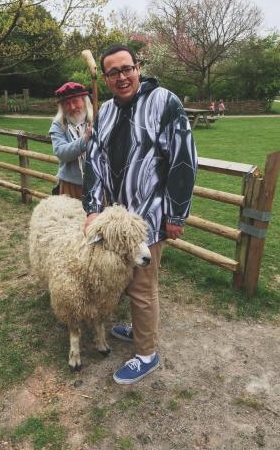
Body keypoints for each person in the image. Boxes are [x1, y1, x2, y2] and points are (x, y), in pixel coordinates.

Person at [82, 44, 197, 384]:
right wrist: (92, 209)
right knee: (128, 282)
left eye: (127, 68)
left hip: (150, 216)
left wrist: (176, 215)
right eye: (113, 72)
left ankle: (146, 353)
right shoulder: (105, 112)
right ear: (105, 77)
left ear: (138, 67)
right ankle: (137, 329)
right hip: (117, 222)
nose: (122, 77)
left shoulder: (164, 102)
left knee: (143, 287)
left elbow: (183, 161)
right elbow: (93, 161)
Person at [49, 82, 93, 199]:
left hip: (98, 183)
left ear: (84, 101)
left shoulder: (96, 119)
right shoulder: (58, 125)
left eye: (75, 101)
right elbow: (61, 153)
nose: (72, 107)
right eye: (67, 103)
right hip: (71, 186)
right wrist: (84, 140)